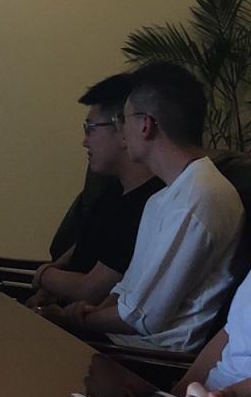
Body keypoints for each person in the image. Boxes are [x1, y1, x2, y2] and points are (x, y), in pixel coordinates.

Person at [42, 62, 244, 353]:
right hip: (115, 340)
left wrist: (73, 318)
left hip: (149, 358)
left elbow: (141, 318)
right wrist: (86, 313)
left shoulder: (198, 198)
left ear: (146, 125)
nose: (122, 132)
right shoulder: (163, 197)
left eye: (123, 120)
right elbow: (126, 293)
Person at [29, 73, 164, 308]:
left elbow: (90, 290)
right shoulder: (113, 190)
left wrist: (43, 275)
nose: (84, 141)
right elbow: (81, 251)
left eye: (90, 128)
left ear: (124, 129)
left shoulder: (149, 204)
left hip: (89, 324)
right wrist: (49, 285)